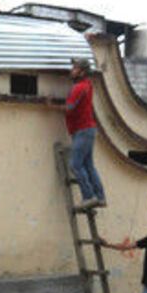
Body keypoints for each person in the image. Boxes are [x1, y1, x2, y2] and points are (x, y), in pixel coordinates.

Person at [64, 57, 106, 208]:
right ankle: (100, 197)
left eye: (74, 68)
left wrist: (50, 105)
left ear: (81, 72)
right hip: (87, 129)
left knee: (75, 165)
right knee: (88, 165)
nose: (71, 71)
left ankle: (88, 196)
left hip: (82, 130)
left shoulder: (79, 87)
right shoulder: (87, 84)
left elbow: (69, 108)